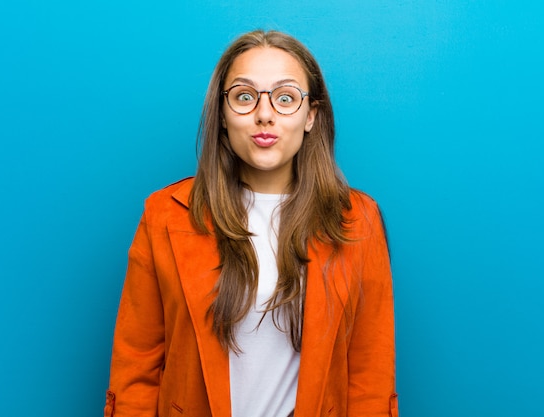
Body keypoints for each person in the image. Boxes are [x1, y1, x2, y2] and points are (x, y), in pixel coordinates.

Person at [104, 29, 398, 417]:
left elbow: (370, 376)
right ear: (223, 115)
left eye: (286, 98)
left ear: (311, 116)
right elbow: (135, 371)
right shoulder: (165, 215)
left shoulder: (358, 220)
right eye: (244, 96)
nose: (264, 114)